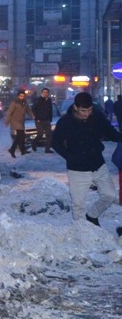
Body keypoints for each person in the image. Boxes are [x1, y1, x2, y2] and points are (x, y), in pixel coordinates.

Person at [51, 92, 122, 227]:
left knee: (110, 196)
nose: (87, 113)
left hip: (98, 164)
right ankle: (82, 234)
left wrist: (120, 137)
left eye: (89, 110)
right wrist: (71, 157)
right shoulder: (65, 122)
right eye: (84, 110)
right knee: (78, 205)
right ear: (76, 107)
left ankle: (92, 216)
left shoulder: (96, 116)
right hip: (77, 169)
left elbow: (110, 132)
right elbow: (55, 143)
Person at [4, 89, 33, 158]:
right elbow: (9, 112)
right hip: (15, 121)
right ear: (18, 96)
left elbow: (28, 110)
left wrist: (32, 115)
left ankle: (22, 150)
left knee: (22, 136)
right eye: (20, 96)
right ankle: (12, 149)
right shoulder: (15, 103)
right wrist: (7, 121)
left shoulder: (25, 102)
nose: (22, 97)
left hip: (21, 121)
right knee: (20, 135)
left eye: (23, 96)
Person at [31, 88, 54, 153]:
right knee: (40, 134)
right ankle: (33, 143)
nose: (45, 93)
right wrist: (37, 118)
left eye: (46, 92)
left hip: (47, 120)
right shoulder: (38, 100)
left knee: (49, 135)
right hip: (39, 120)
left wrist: (50, 118)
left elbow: (50, 110)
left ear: (48, 93)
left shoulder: (49, 100)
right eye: (44, 92)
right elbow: (33, 109)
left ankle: (47, 149)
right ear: (42, 93)